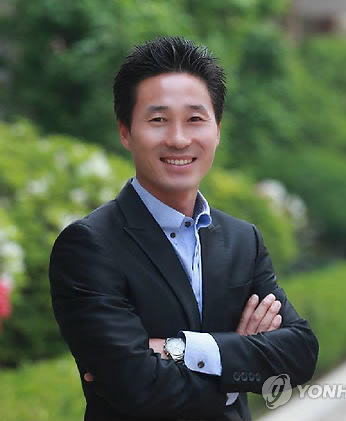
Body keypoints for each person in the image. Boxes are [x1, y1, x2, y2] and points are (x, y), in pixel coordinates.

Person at [49, 36, 319, 421]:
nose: (178, 139)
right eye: (158, 120)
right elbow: (138, 388)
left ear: (217, 130)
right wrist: (238, 364)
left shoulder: (242, 241)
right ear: (125, 131)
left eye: (195, 119)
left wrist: (183, 350)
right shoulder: (89, 245)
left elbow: (300, 353)